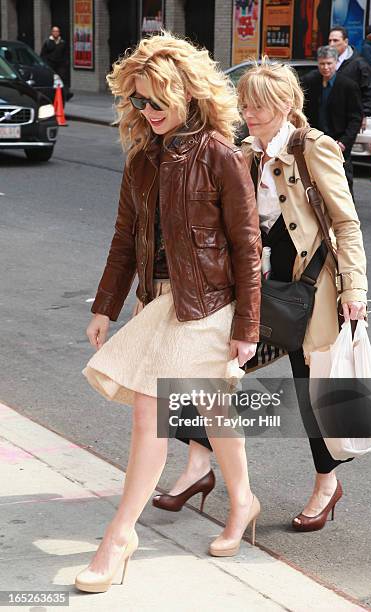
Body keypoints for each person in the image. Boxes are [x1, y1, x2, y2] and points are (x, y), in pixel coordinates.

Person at [74, 32, 262, 594]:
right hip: (159, 302)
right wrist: (106, 306)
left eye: (157, 101)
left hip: (208, 306)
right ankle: (244, 499)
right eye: (138, 101)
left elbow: (247, 246)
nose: (147, 112)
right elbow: (124, 241)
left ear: (187, 95)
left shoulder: (220, 155)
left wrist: (247, 328)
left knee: (150, 415)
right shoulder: (142, 162)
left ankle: (118, 536)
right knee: (214, 409)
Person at [154, 59, 368, 534]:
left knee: (313, 393)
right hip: (263, 287)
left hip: (311, 292)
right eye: (246, 104)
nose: (249, 113)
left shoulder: (314, 149)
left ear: (287, 106)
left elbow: (346, 223)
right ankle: (198, 466)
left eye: (260, 106)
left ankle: (325, 484)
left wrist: (354, 287)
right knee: (209, 370)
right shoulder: (245, 152)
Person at [302, 46, 363, 198]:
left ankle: (348, 218)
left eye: (329, 63)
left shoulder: (348, 85)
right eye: (322, 63)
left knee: (342, 183)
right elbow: (302, 108)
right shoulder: (310, 81)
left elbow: (355, 118)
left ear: (336, 63)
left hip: (339, 142)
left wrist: (344, 142)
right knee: (313, 180)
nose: (326, 67)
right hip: (315, 140)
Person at [328, 25, 371, 129]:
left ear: (345, 42)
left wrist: (363, 114)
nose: (331, 44)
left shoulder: (359, 64)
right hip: (328, 119)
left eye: (335, 40)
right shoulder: (326, 62)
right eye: (330, 41)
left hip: (349, 120)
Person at [40, 26, 70, 101]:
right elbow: (43, 54)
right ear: (52, 32)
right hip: (50, 64)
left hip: (60, 64)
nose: (56, 33)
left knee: (62, 78)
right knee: (51, 79)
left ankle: (64, 94)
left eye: (57, 31)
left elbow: (66, 54)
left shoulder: (62, 42)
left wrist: (65, 63)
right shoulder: (48, 42)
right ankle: (51, 94)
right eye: (54, 31)